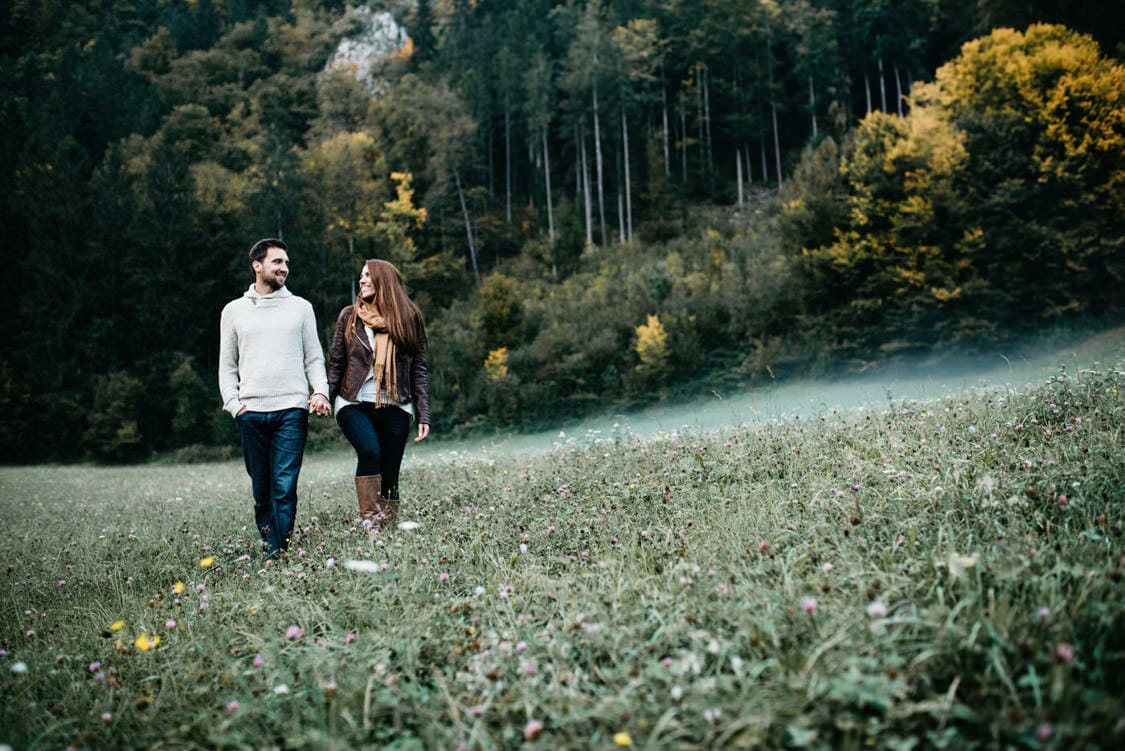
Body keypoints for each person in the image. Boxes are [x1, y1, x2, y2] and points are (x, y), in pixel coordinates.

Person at [218, 238, 332, 558]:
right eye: (277, 262)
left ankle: (276, 552)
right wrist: (235, 405)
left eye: (286, 263)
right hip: (250, 412)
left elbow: (314, 358)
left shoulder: (301, 308)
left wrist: (319, 390)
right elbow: (227, 366)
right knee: (262, 490)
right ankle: (273, 543)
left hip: (292, 410)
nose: (284, 268)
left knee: (284, 486)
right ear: (257, 266)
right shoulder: (233, 311)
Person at [328, 259, 431, 534]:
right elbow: (337, 362)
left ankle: (387, 529)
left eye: (367, 276)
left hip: (396, 404)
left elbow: (418, 369)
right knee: (370, 451)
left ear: (382, 282)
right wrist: (325, 396)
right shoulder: (349, 316)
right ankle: (371, 526)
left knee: (391, 468)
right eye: (361, 276)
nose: (361, 281)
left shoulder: (409, 318)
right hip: (354, 402)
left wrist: (423, 413)